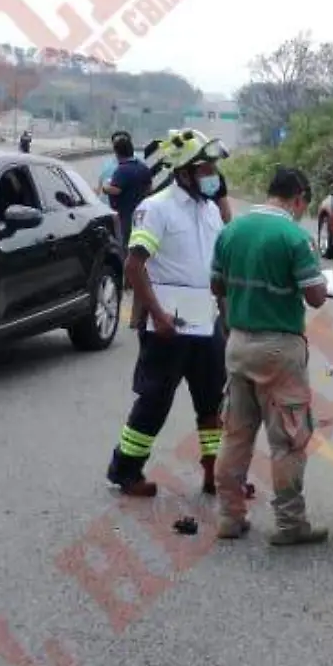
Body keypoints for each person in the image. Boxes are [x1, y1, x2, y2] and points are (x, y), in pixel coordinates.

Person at [103, 128, 232, 498]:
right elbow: (134, 266)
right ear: (185, 172)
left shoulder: (210, 212)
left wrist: (226, 318)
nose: (213, 176)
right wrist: (157, 315)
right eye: (205, 169)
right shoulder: (156, 208)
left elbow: (216, 271)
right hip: (167, 324)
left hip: (206, 324)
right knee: (155, 401)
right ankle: (125, 471)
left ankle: (213, 473)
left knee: (211, 403)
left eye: (213, 169)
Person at [209, 166, 333, 543]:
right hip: (280, 348)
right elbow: (315, 297)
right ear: (298, 198)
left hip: (238, 344)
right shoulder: (294, 237)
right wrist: (322, 281)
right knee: (289, 441)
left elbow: (217, 285)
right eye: (302, 205)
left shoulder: (230, 232)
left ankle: (229, 518)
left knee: (235, 435)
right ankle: (290, 525)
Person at [100, 131, 151, 245]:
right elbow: (149, 189)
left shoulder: (122, 169)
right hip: (142, 213)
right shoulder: (142, 167)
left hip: (125, 215)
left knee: (126, 243)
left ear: (117, 152)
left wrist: (105, 188)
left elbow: (116, 190)